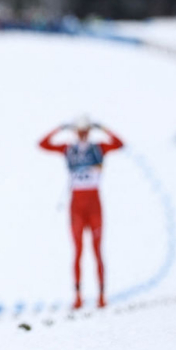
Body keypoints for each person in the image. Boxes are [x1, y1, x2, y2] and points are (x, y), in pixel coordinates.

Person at [38, 116, 124, 309]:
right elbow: (43, 144)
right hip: (76, 206)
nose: (83, 135)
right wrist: (60, 127)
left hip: (94, 204)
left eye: (86, 131)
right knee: (77, 251)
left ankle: (102, 295)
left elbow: (120, 144)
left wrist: (102, 126)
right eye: (79, 131)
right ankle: (78, 296)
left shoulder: (98, 148)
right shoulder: (69, 149)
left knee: (97, 250)